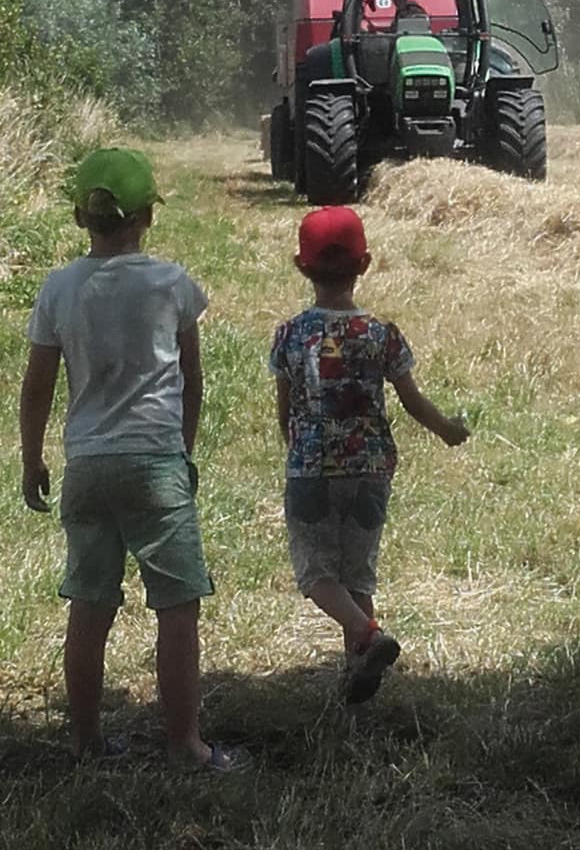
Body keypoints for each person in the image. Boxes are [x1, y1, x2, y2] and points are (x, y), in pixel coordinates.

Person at [19, 148, 236, 770]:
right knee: (176, 604)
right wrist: (182, 450)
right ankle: (185, 744)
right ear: (147, 216)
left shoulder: (59, 287)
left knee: (89, 603)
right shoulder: (171, 283)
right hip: (153, 461)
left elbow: (37, 386)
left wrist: (33, 460)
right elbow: (192, 380)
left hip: (86, 465)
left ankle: (86, 742)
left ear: (79, 217)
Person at [270, 205, 469, 703]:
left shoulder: (292, 335)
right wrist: (447, 429)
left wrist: (296, 448)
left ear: (301, 265)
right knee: (357, 573)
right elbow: (412, 399)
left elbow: (284, 407)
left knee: (316, 574)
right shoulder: (381, 335)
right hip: (371, 468)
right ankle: (357, 675)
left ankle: (367, 636)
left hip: (312, 468)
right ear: (366, 264)